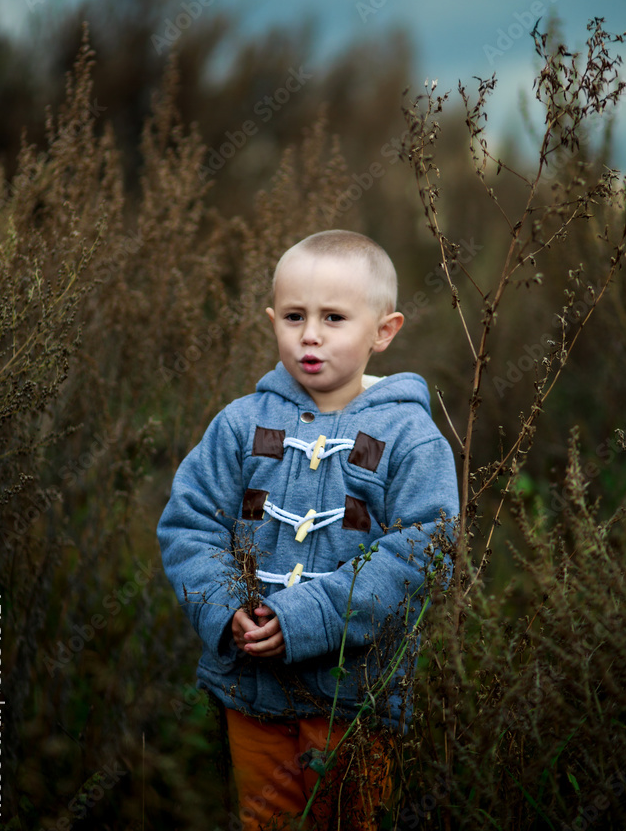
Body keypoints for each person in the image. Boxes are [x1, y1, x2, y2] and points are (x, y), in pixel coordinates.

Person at [157, 230, 459, 830]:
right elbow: (190, 524)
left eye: (334, 318)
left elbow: (424, 550)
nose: (310, 335)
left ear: (384, 330)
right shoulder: (242, 423)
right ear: (273, 319)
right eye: (294, 316)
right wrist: (227, 606)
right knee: (265, 818)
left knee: (348, 819)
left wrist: (308, 616)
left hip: (355, 695)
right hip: (253, 690)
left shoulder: (409, 437)